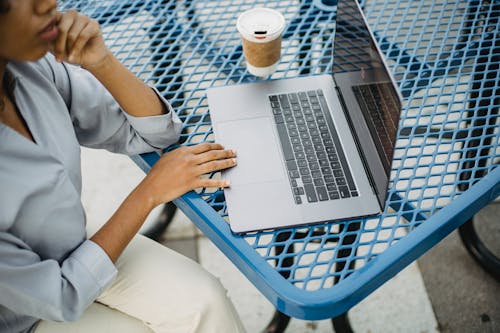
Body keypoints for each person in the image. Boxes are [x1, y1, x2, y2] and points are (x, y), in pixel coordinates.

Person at [0, 0, 246, 332]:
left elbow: (153, 132)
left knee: (207, 302)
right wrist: (147, 194)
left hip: (71, 244)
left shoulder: (27, 69)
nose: (49, 3)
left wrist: (101, 61)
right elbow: (60, 296)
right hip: (28, 314)